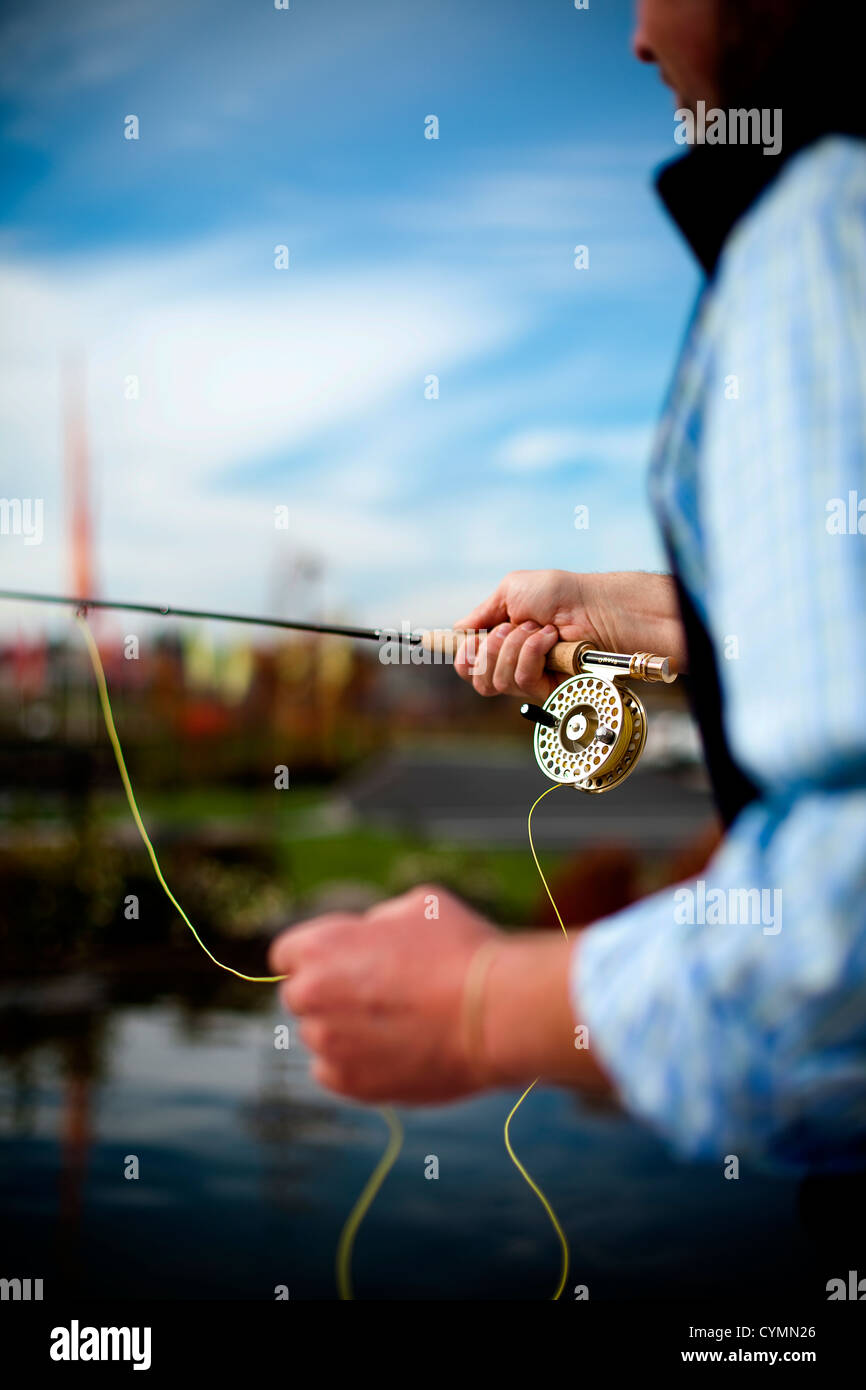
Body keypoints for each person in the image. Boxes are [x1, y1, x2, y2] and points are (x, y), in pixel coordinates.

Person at [270, 0, 866, 1179]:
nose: (636, 39)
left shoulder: (820, 224)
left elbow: (841, 931)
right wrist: (632, 614)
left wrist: (481, 1004)